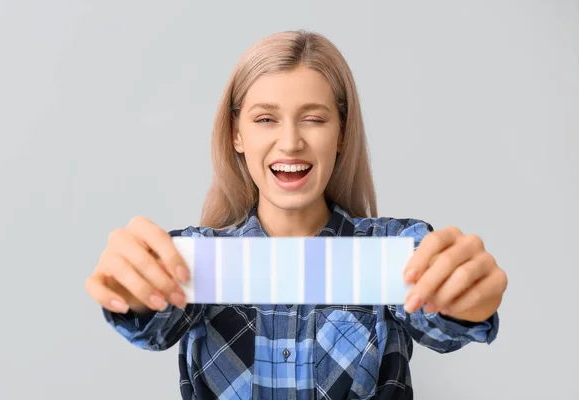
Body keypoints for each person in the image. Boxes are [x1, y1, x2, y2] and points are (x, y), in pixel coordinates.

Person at [85, 30, 507, 400]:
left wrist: (466, 302)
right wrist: (132, 293)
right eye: (266, 119)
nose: (290, 142)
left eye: (313, 119)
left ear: (341, 133)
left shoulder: (395, 249)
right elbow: (151, 327)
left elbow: (444, 326)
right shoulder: (191, 256)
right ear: (237, 134)